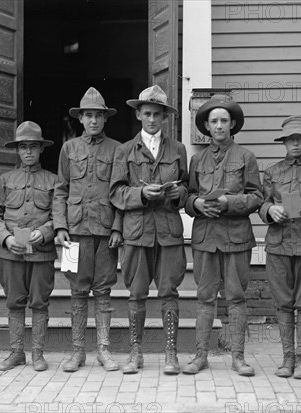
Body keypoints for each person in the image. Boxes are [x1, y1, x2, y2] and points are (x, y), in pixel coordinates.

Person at [110, 85, 188, 375]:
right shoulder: (125, 150)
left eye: (158, 114)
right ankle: (135, 353)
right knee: (136, 293)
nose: (152, 119)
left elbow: (186, 187)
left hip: (168, 231)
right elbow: (116, 192)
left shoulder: (178, 149)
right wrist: (142, 195)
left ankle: (171, 354)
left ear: (164, 117)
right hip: (137, 232)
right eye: (147, 113)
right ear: (138, 115)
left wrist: (175, 194)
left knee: (169, 292)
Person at [182, 95, 263, 376]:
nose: (219, 126)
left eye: (224, 121)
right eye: (214, 121)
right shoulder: (197, 159)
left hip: (236, 237)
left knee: (236, 298)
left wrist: (232, 203)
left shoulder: (246, 157)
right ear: (206, 125)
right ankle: (200, 356)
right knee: (204, 297)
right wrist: (197, 204)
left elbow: (257, 197)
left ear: (232, 125)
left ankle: (238, 358)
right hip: (205, 237)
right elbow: (188, 196)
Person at [53, 87, 123, 372]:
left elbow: (120, 193)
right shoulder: (69, 149)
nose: (93, 120)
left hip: (105, 231)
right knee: (78, 291)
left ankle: (104, 351)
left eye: (98, 115)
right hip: (75, 232)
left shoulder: (117, 149)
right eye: (88, 116)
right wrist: (59, 226)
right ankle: (77, 351)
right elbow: (60, 190)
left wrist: (118, 228)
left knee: (104, 291)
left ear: (105, 119)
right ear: (80, 119)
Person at [259, 115, 301, 379]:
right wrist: (270, 210)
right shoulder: (273, 171)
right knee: (283, 304)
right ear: (284, 142)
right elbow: (261, 203)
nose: (296, 143)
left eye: (300, 138)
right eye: (291, 139)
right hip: (279, 245)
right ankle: (287, 359)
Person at [0, 121, 57, 372]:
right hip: (11, 253)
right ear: (17, 150)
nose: (28, 152)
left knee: (39, 302)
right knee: (14, 302)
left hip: (41, 253)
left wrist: (44, 232)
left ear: (41, 149)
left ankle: (38, 354)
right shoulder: (5, 180)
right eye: (23, 147)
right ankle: (17, 353)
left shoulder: (53, 180)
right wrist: (5, 238)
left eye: (33, 147)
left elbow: (59, 215)